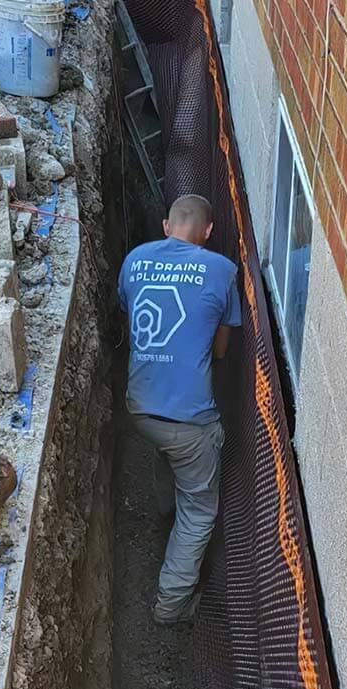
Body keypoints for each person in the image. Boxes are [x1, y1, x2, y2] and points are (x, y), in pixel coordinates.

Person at [118, 194, 242, 625]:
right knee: (200, 511)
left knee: (168, 447)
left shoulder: (134, 259)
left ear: (168, 226)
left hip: (140, 408)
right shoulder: (223, 271)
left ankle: (161, 511)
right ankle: (170, 608)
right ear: (207, 233)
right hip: (189, 421)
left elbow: (131, 312)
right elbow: (222, 351)